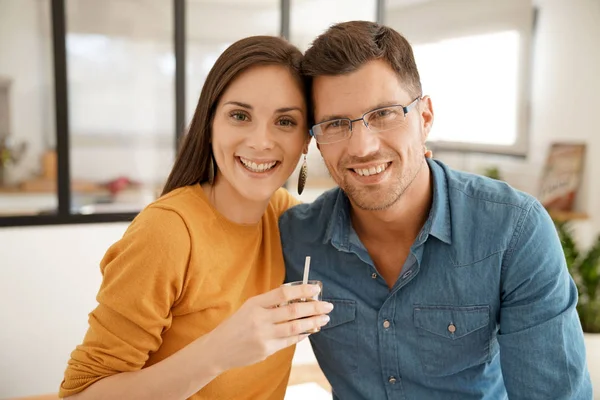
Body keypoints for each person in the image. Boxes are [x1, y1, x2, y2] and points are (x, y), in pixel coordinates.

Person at [280, 21, 592, 399]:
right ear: (315, 140)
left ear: (424, 118)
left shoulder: (513, 230)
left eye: (383, 114)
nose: (362, 147)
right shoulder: (297, 238)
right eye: (335, 124)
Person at [59, 35, 333, 400]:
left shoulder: (290, 221)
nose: (260, 141)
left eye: (285, 121)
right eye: (240, 115)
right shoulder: (168, 232)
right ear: (210, 124)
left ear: (306, 141)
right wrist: (220, 351)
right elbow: (81, 395)